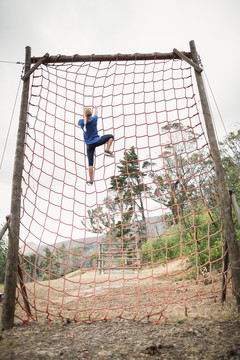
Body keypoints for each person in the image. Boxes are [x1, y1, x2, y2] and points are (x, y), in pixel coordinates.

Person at [78, 106, 114, 185]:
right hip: (97, 141)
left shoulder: (81, 122)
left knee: (90, 163)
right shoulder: (94, 119)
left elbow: (82, 121)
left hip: (89, 145)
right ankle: (107, 150)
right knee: (111, 137)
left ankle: (91, 180)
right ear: (91, 114)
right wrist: (96, 108)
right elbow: (96, 114)